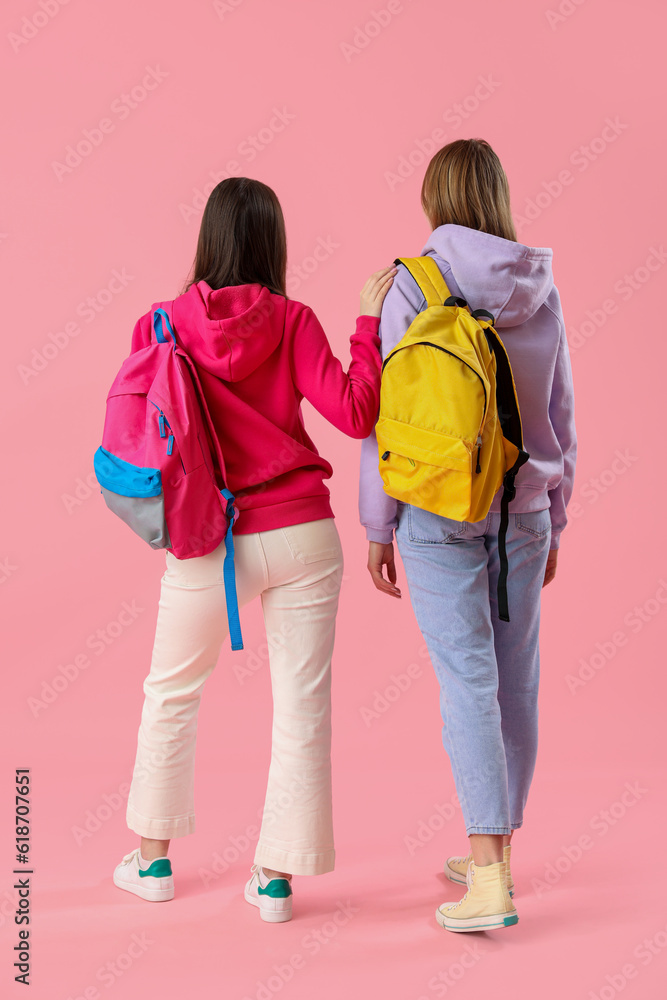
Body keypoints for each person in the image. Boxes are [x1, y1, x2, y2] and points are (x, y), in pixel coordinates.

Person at [112, 176, 396, 923]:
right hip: (302, 532)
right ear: (273, 241)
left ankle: (152, 863)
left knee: (171, 692)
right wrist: (367, 324)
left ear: (207, 237)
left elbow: (143, 434)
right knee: (301, 707)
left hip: (208, 538)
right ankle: (274, 881)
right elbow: (356, 411)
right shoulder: (295, 320)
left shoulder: (161, 324)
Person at [359, 138, 577, 932]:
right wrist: (553, 514)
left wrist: (378, 522)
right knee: (513, 681)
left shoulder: (410, 285)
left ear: (434, 198)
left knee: (466, 684)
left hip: (439, 510)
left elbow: (387, 419)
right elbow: (559, 411)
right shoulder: (539, 285)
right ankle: (497, 847)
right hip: (521, 508)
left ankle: (488, 878)